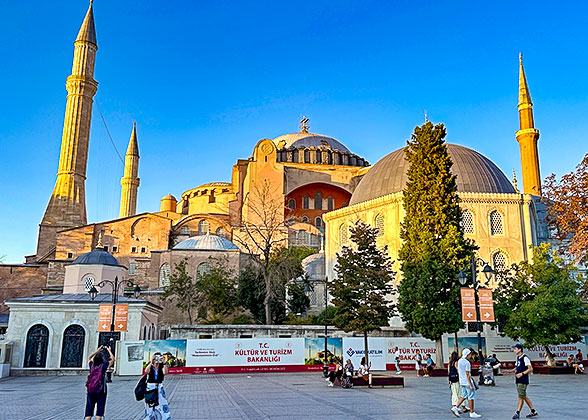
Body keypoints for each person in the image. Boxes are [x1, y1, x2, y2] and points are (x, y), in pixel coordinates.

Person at [85, 345, 113, 420]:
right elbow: (113, 359)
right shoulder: (103, 366)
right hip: (101, 390)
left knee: (89, 407)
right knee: (100, 407)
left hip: (91, 390)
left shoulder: (91, 366)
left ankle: (88, 418)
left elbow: (89, 358)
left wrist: (97, 351)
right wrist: (109, 350)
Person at [451, 349, 481, 418]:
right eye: (470, 354)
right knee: (471, 396)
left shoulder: (459, 361)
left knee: (464, 395)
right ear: (467, 354)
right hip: (467, 382)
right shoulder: (467, 363)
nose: (471, 356)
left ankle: (455, 407)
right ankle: (472, 412)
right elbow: (468, 374)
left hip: (462, 381)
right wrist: (471, 385)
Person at [143, 352, 171, 420]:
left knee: (162, 403)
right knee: (150, 403)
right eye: (156, 358)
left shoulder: (162, 365)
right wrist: (151, 362)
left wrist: (164, 362)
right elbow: (146, 371)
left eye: (159, 358)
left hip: (159, 386)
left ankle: (163, 418)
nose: (157, 359)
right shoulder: (150, 365)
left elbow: (165, 372)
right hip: (150, 386)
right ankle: (149, 417)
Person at [511, 344, 538, 419]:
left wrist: (522, 374)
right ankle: (533, 411)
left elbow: (530, 368)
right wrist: (509, 371)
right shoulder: (518, 358)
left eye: (515, 349)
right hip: (518, 380)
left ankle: (517, 412)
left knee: (521, 397)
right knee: (523, 396)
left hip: (523, 380)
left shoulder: (525, 358)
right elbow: (517, 367)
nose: (514, 350)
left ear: (520, 349)